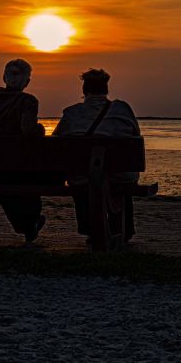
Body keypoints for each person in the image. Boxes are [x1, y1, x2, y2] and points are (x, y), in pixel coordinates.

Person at [0, 58, 55, 243]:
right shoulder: (27, 101)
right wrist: (41, 130)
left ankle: (27, 224)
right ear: (27, 82)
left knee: (6, 183)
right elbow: (29, 131)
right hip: (18, 168)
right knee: (28, 177)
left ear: (3, 77)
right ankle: (30, 223)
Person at [53, 68, 141, 241]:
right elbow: (135, 135)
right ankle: (124, 229)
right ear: (106, 89)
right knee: (117, 175)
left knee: (82, 175)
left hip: (82, 176)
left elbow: (56, 143)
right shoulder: (122, 109)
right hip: (118, 175)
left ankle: (90, 227)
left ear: (84, 90)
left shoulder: (71, 113)